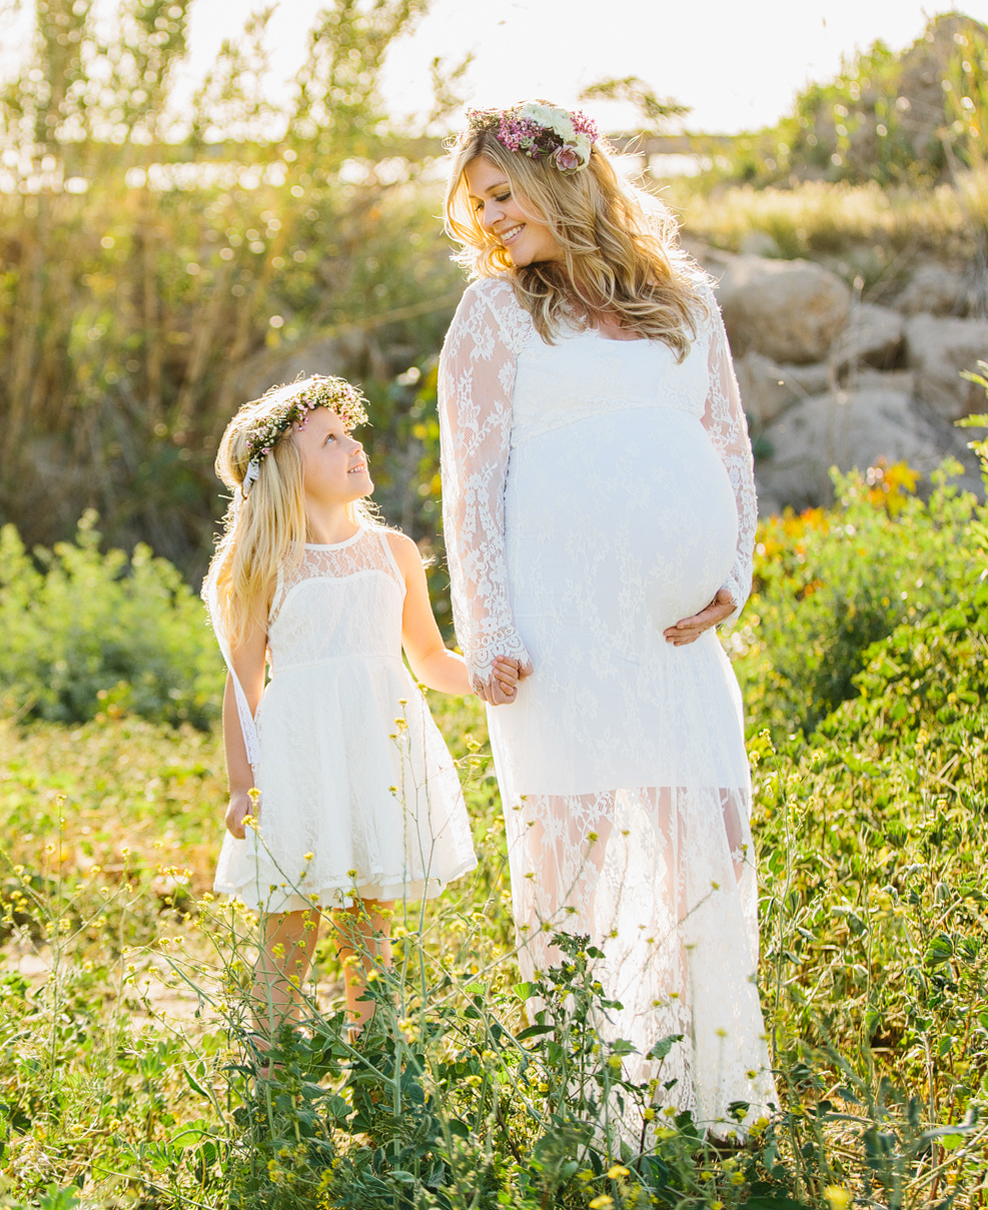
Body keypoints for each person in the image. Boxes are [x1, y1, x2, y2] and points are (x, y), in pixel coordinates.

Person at [436, 101, 775, 1131]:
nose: (490, 219)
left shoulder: (686, 301)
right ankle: (591, 1114)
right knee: (571, 863)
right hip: (557, 631)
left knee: (704, 842)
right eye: (477, 204)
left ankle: (713, 1097)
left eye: (503, 194)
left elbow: (726, 442)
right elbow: (470, 484)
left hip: (675, 638)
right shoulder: (494, 316)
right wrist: (488, 628)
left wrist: (730, 565)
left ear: (568, 177)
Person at [205, 374, 499, 1037]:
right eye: (331, 440)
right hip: (299, 760)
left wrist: (486, 679)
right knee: (291, 929)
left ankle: (376, 1076)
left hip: (377, 754)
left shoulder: (393, 552)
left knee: (371, 926)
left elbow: (428, 658)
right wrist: (243, 785)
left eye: (351, 433)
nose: (354, 447)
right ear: (285, 468)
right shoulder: (265, 565)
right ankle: (272, 1082)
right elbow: (243, 683)